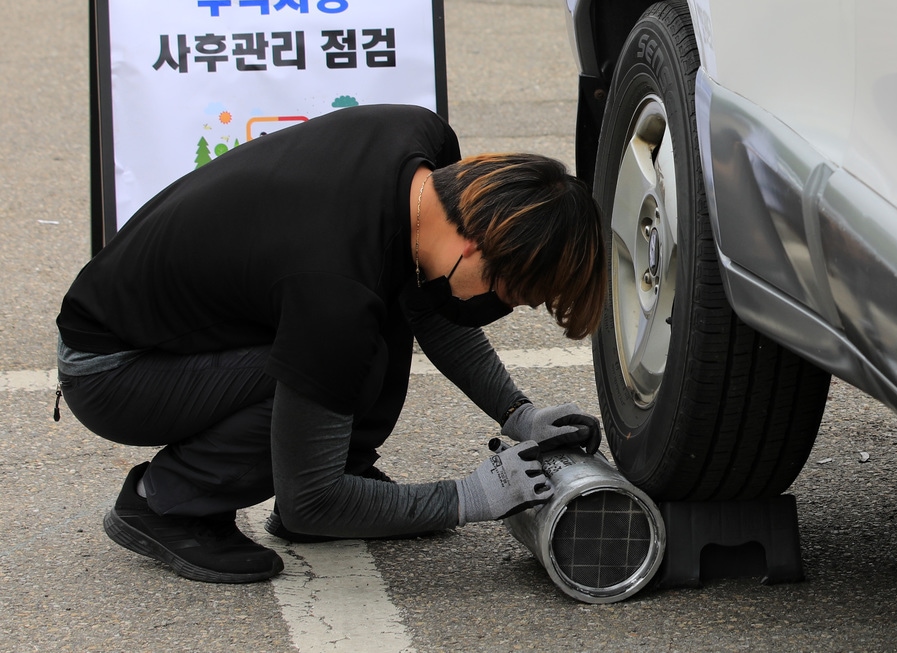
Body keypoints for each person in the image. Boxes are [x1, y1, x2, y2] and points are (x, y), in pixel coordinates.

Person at [55, 104, 606, 583]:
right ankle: (167, 504)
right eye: (508, 293)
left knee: (366, 329)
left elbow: (426, 306)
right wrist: (468, 498)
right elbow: (310, 501)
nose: (501, 308)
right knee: (352, 360)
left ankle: (345, 471)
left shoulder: (423, 149)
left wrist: (518, 414)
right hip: (112, 371)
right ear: (475, 242)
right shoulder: (337, 292)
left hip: (186, 328)